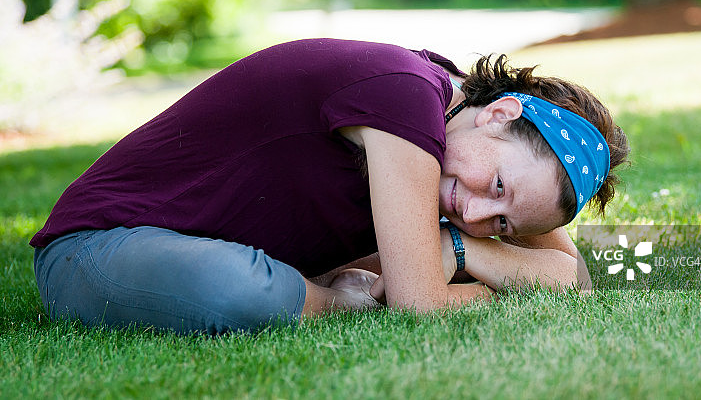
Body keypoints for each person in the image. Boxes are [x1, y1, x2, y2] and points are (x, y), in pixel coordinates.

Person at [30, 38, 628, 335]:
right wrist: (472, 262)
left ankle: (312, 287)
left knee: (255, 280)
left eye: (501, 219)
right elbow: (420, 305)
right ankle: (329, 301)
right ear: (500, 113)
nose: (471, 209)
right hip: (100, 253)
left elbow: (571, 280)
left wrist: (472, 251)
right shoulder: (406, 98)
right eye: (495, 184)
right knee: (245, 293)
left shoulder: (459, 136)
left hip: (199, 250)